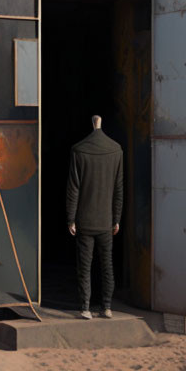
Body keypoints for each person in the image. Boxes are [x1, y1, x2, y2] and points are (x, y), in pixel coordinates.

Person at [66, 115, 123, 319]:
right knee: (107, 265)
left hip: (84, 222)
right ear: (101, 124)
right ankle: (107, 307)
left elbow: (74, 189)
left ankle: (85, 308)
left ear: (91, 123)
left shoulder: (78, 150)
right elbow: (118, 189)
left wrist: (70, 218)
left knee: (85, 267)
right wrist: (116, 218)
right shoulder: (116, 150)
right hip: (106, 222)